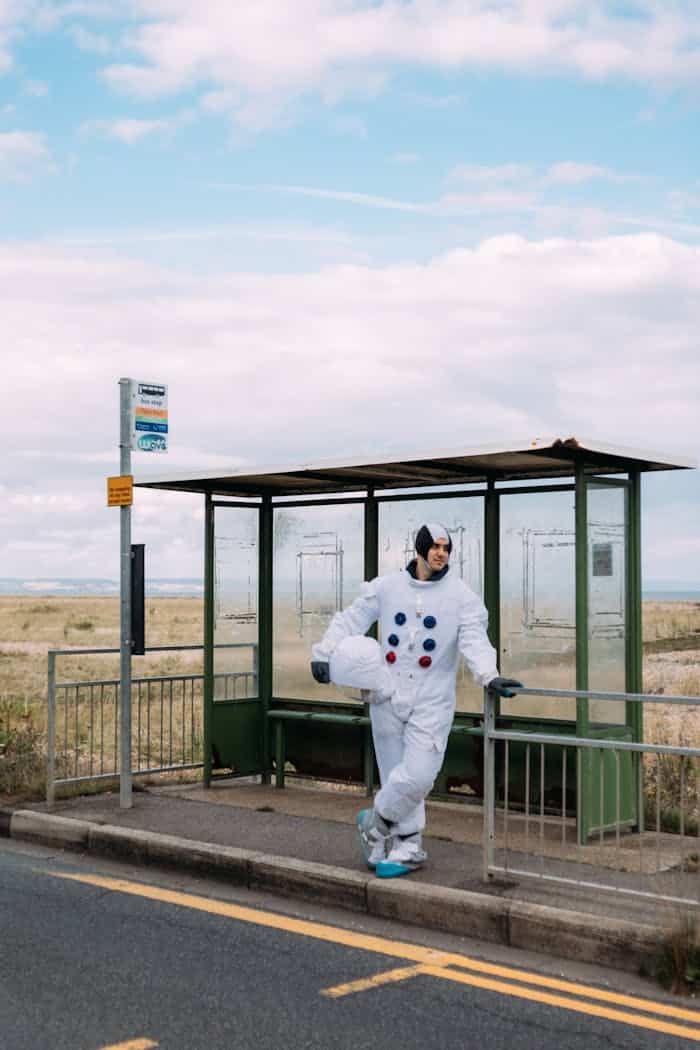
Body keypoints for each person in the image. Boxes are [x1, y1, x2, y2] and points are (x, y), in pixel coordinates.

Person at [310, 522, 522, 878]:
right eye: (436, 546)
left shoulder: (461, 596)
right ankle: (406, 845)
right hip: (387, 694)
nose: (441, 553)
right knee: (394, 773)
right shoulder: (387, 587)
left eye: (446, 548)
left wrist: (489, 674)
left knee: (419, 775)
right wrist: (324, 652)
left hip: (432, 700)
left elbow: (474, 639)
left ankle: (374, 825)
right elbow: (352, 619)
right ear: (420, 549)